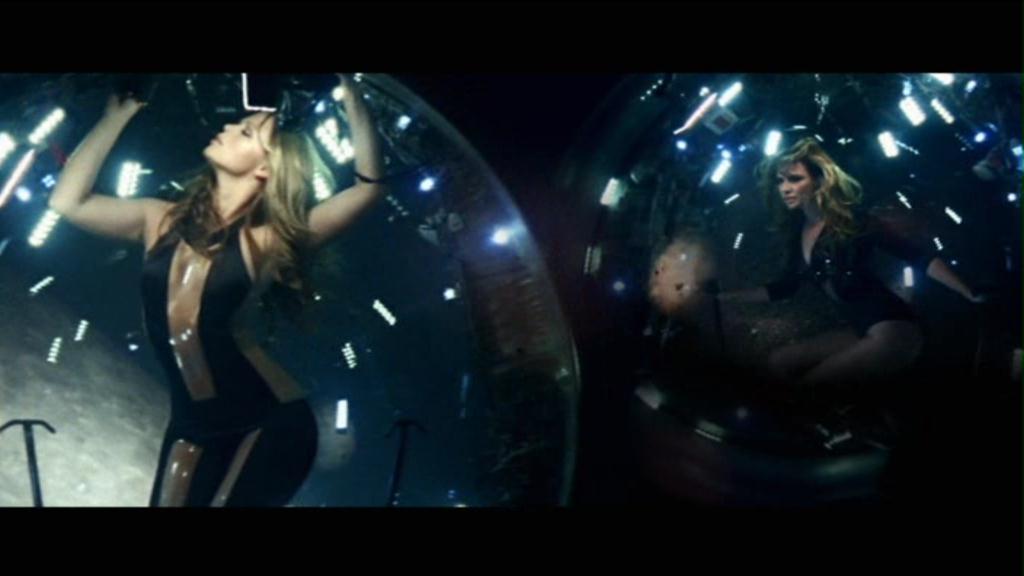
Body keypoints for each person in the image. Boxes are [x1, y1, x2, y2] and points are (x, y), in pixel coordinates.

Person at [49, 74, 383, 506]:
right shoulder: (157, 218)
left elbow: (369, 190)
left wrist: (351, 95)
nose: (227, 126)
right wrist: (119, 115)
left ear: (265, 169)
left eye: (245, 132)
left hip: (268, 421)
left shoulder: (269, 242)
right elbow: (67, 202)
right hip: (192, 422)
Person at [717, 138, 983, 410]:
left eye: (795, 179)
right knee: (778, 362)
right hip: (860, 330)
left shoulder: (853, 222)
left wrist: (968, 291)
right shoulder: (799, 233)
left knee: (808, 387)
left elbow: (917, 257)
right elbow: (784, 288)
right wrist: (723, 298)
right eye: (780, 181)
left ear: (819, 181)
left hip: (894, 330)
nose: (784, 188)